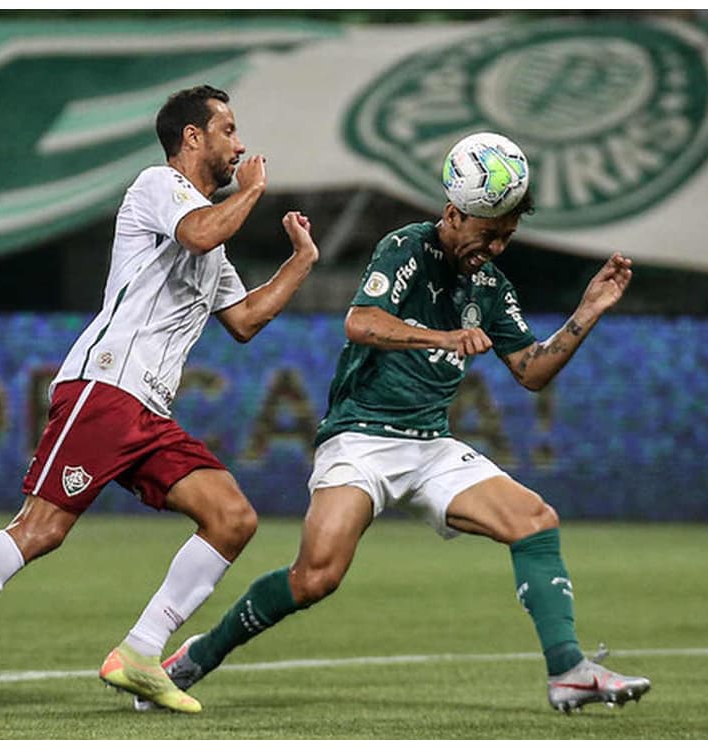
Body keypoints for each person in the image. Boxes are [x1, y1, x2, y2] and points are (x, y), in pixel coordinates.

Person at [141, 136, 652, 715]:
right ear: (455, 213)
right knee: (316, 577)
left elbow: (532, 372)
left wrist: (585, 313)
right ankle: (198, 656)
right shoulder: (407, 247)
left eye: (507, 235)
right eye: (488, 232)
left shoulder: (490, 288)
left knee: (534, 520)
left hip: (430, 446)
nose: (496, 246)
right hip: (360, 437)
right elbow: (360, 321)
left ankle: (569, 672)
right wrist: (442, 337)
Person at [0, 84, 320, 717]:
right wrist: (251, 189)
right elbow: (196, 233)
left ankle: (141, 652)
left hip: (150, 410)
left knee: (232, 518)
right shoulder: (157, 188)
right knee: (43, 527)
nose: (240, 142)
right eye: (228, 129)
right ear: (192, 138)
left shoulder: (211, 234)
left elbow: (245, 318)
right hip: (105, 388)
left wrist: (301, 261)